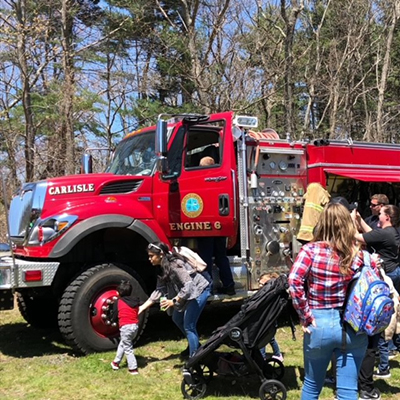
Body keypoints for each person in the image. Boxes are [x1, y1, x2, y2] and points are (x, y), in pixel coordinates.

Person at [289, 202, 374, 400]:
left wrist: (305, 316)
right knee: (348, 391)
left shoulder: (310, 251)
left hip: (319, 324)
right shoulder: (358, 254)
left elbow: (294, 281)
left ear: (322, 223)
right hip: (353, 325)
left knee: (311, 386)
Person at [352, 204, 400, 381]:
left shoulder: (384, 233)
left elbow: (359, 237)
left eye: (380, 213)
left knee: (379, 319)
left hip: (386, 275)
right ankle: (384, 358)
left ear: (387, 217)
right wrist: (359, 219)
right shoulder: (389, 231)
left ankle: (383, 364)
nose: (377, 214)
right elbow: (370, 233)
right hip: (393, 272)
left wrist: (348, 223)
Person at [139, 242, 211, 358]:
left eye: (151, 256)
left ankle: (194, 359)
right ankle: (195, 345)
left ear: (161, 254)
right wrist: (142, 308)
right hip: (187, 293)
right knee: (177, 318)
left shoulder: (175, 265)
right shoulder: (161, 268)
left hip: (199, 290)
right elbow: (159, 290)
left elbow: (189, 285)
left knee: (189, 325)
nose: (149, 259)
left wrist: (173, 301)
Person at [110, 280, 141, 375]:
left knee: (128, 348)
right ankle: (116, 362)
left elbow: (115, 314)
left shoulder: (118, 302)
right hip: (135, 327)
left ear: (119, 292)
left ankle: (133, 368)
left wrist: (112, 320)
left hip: (125, 327)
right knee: (123, 343)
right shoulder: (136, 300)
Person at [258, 272, 284, 362]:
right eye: (259, 283)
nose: (260, 285)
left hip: (268, 321)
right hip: (267, 321)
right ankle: (277, 354)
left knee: (262, 340)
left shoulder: (270, 296)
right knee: (270, 339)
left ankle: (262, 358)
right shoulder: (265, 293)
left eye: (263, 284)